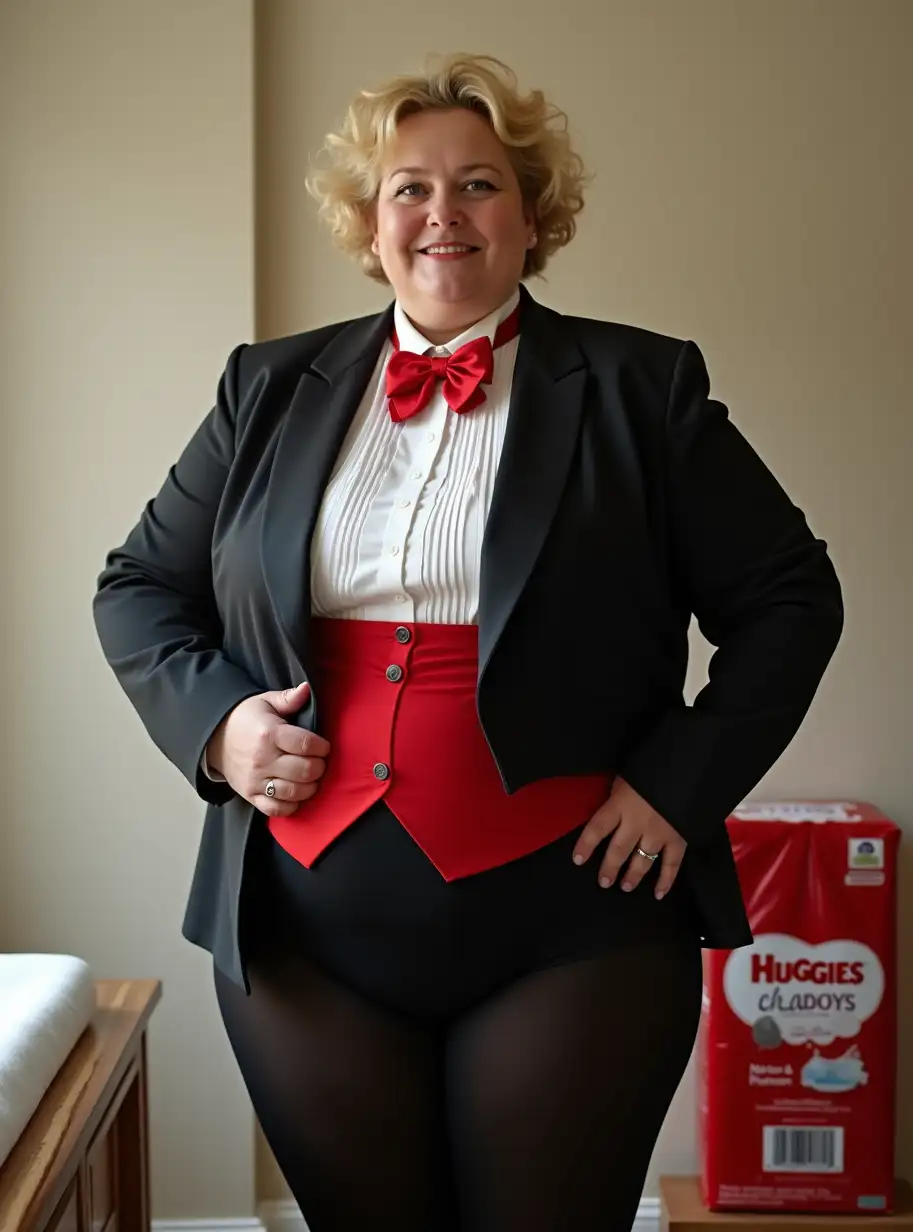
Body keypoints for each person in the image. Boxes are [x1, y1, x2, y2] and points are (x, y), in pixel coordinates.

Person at [93, 53, 843, 1232]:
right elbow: (139, 586)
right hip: (300, 930)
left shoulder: (641, 387)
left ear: (532, 216)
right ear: (367, 219)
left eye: (481, 183)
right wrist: (221, 727)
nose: (443, 213)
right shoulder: (267, 386)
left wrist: (676, 783)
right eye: (408, 187)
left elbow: (792, 596)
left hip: (572, 923)